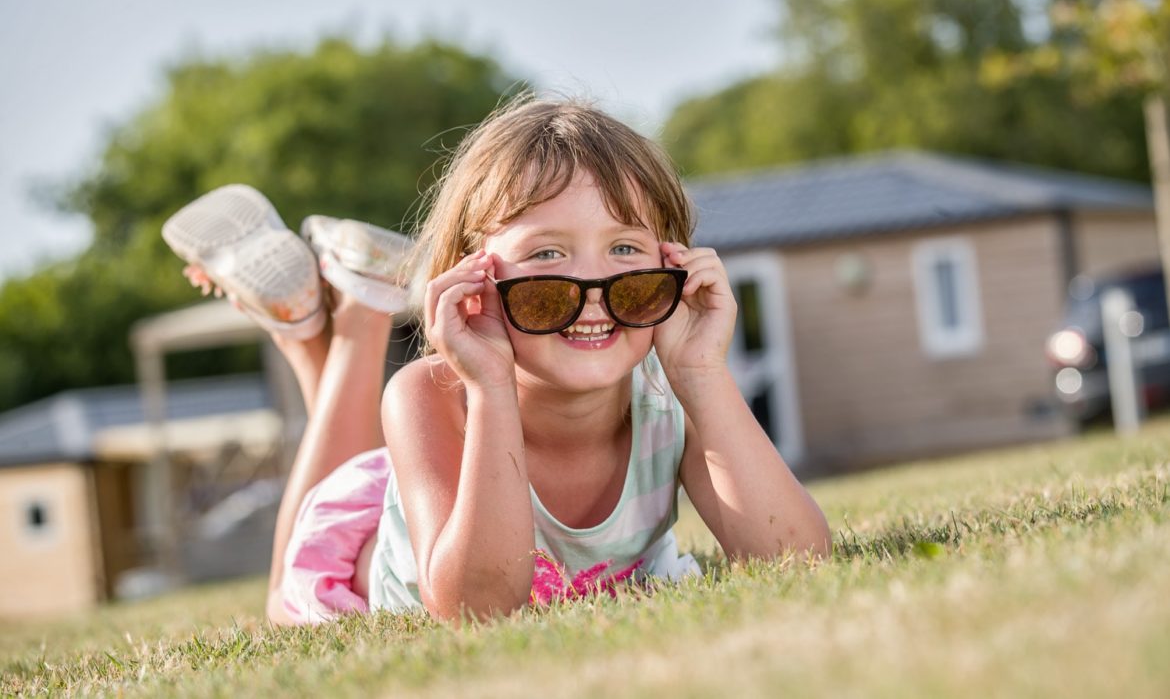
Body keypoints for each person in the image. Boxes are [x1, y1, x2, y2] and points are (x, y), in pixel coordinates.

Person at [163, 98, 831, 626]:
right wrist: (488, 391)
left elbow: (794, 557)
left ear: (674, 265)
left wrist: (701, 374)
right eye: (547, 255)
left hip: (442, 473)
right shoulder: (433, 394)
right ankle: (355, 322)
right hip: (387, 545)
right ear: (473, 279)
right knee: (292, 588)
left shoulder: (675, 400)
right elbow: (480, 608)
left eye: (625, 251)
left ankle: (339, 303)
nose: (591, 291)